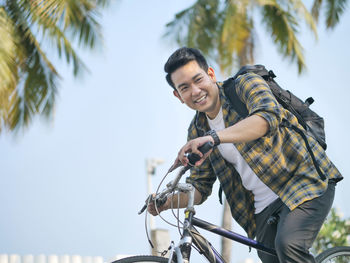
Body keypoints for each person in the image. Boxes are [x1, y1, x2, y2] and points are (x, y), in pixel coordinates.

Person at [148, 47, 343, 263]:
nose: (195, 91)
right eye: (185, 88)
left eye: (198, 80)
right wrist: (165, 203)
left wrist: (215, 137)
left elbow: (267, 118)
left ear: (211, 74)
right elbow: (200, 188)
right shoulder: (197, 130)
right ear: (178, 95)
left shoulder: (244, 85)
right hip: (262, 209)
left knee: (289, 245)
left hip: (304, 182)